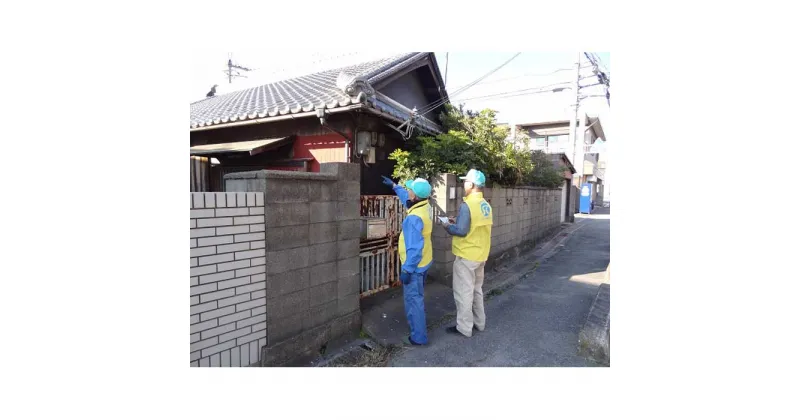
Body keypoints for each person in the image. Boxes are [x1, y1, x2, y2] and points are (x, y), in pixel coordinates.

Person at [440, 169, 493, 338]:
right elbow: (473, 225)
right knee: (477, 290)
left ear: (471, 184)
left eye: (465, 182)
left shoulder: (467, 205)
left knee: (464, 292)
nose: (464, 185)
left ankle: (464, 328)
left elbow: (462, 231)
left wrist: (448, 226)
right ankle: (480, 323)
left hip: (466, 256)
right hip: (481, 255)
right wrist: (458, 221)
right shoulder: (485, 204)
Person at [382, 175, 433, 346]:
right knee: (417, 297)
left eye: (409, 189)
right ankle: (419, 332)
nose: (408, 190)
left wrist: (407, 270)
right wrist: (396, 187)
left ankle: (418, 337)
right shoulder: (424, 206)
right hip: (425, 261)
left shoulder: (413, 219)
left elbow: (414, 249)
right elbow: (408, 201)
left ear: (414, 195)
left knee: (414, 301)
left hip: (415, 266)